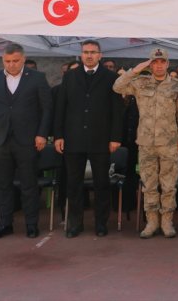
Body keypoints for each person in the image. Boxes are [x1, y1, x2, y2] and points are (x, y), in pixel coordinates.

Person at [113, 48, 178, 238]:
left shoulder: (177, 86)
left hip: (169, 143)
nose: (159, 65)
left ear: (167, 64)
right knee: (149, 184)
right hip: (146, 142)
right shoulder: (140, 83)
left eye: (162, 62)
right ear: (150, 64)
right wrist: (135, 70)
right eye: (155, 62)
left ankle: (167, 221)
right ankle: (152, 221)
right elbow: (117, 87)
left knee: (169, 184)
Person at [0, 43, 52, 240]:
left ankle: (31, 224)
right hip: (0, 140)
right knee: (2, 184)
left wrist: (42, 134)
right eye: (7, 61)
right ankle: (4, 224)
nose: (11, 65)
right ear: (3, 60)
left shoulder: (37, 78)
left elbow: (46, 109)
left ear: (23, 59)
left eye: (15, 61)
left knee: (29, 183)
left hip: (27, 140)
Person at [54, 40, 125, 238]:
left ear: (100, 55)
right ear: (81, 54)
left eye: (93, 52)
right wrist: (58, 135)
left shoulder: (110, 77)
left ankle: (101, 224)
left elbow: (116, 111)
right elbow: (61, 107)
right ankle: (75, 224)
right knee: (73, 184)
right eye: (86, 52)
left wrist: (115, 137)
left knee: (101, 184)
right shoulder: (70, 76)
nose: (89, 55)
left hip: (101, 139)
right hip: (73, 138)